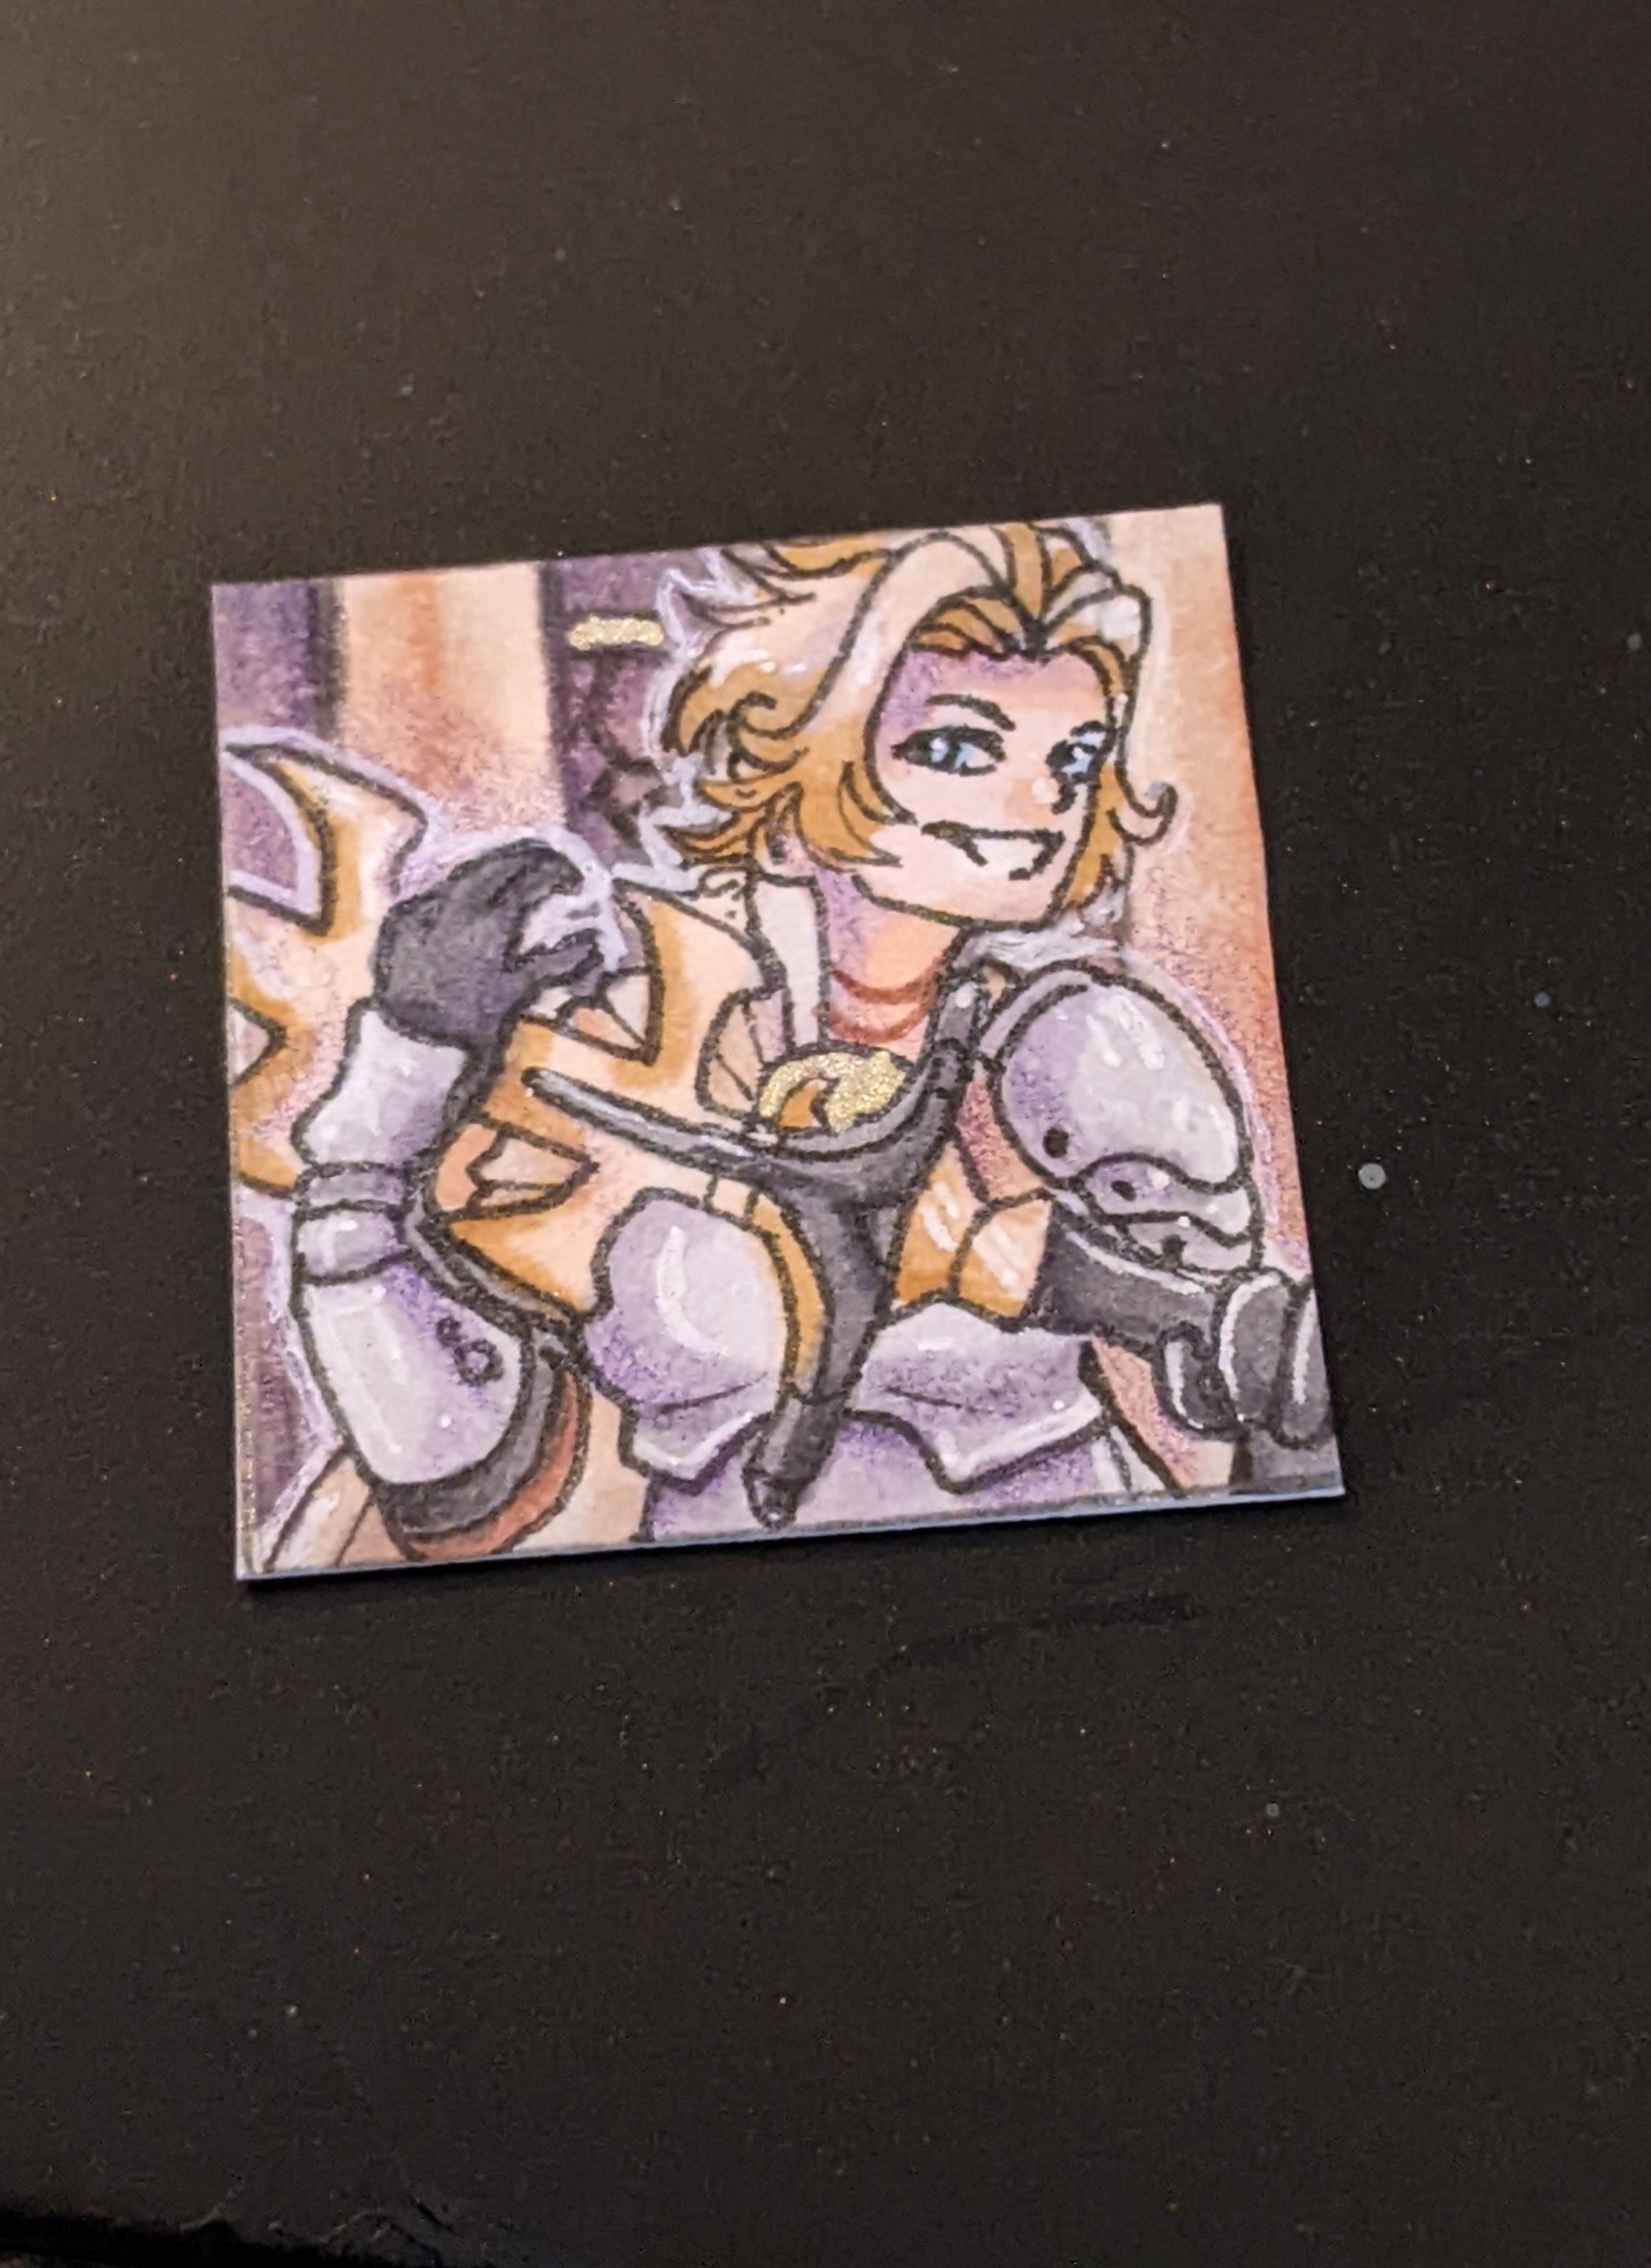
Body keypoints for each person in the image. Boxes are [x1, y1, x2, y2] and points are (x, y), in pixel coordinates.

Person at [276, 521, 1334, 1566]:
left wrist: (1117, 1295)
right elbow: (440, 1462)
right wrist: (401, 1071)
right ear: (793, 752)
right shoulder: (630, 1038)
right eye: (958, 749)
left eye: (1075, 755)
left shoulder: (1084, 1054)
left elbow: (1261, 1397)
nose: (1042, 800)